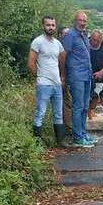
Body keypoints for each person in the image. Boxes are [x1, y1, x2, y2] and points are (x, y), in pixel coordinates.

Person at [27, 15, 66, 146]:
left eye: (53, 25)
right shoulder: (37, 42)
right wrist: (38, 77)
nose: (51, 27)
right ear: (42, 26)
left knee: (58, 113)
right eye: (48, 25)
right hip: (44, 84)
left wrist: (61, 76)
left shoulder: (57, 44)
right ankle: (37, 142)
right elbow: (31, 63)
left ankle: (60, 141)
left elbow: (61, 61)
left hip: (56, 84)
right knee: (41, 112)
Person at [61, 11, 96, 148]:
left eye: (84, 21)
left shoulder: (85, 34)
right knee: (78, 106)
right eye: (79, 20)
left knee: (85, 106)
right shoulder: (70, 35)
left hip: (87, 74)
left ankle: (82, 133)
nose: (82, 23)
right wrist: (63, 74)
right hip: (76, 75)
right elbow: (63, 55)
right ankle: (77, 137)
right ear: (74, 20)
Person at [57, 26, 73, 136]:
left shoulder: (67, 45)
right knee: (65, 103)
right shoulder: (58, 46)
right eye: (65, 34)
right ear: (60, 35)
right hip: (58, 77)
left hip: (67, 77)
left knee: (67, 102)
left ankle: (67, 128)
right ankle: (67, 129)